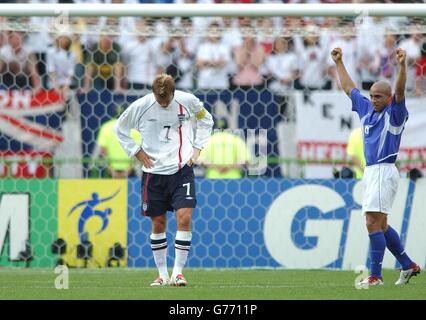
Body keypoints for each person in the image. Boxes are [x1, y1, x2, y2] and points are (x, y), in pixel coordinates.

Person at [331, 47, 421, 286]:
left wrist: (402, 67)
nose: (373, 100)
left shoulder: (395, 114)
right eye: (371, 96)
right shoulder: (366, 110)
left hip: (383, 169)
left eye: (378, 96)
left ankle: (375, 276)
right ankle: (408, 265)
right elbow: (349, 89)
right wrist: (339, 62)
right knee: (380, 224)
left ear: (388, 98)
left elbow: (400, 90)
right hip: (371, 172)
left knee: (371, 222)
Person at [115, 74, 213, 286]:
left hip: (181, 170)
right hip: (153, 172)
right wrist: (136, 151)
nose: (164, 103)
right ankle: (162, 274)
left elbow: (206, 120)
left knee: (184, 217)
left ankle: (178, 273)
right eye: (160, 101)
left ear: (173, 93)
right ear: (153, 94)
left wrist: (197, 148)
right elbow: (120, 129)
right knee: (158, 222)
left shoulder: (188, 101)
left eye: (167, 100)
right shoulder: (140, 106)